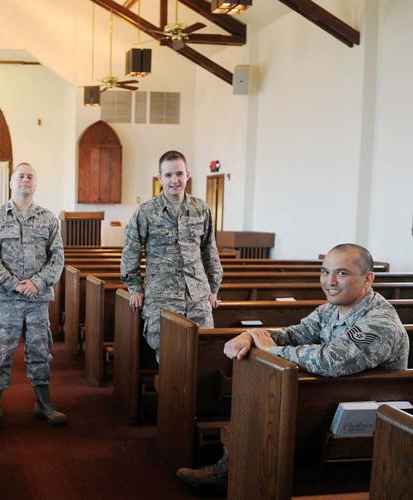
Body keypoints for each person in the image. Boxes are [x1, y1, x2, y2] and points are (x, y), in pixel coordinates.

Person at [176, 243, 409, 491]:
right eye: (324, 272)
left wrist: (272, 351)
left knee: (268, 404)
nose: (329, 281)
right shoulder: (331, 309)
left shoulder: (380, 322)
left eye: (341, 273)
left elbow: (332, 360)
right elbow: (294, 334)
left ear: (368, 278)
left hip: (363, 422)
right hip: (324, 403)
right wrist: (251, 335)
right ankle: (238, 473)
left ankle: (240, 476)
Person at [0, 162, 66, 431]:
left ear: (35, 184)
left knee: (41, 352)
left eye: (30, 177)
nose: (25, 180)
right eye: (21, 176)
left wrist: (36, 283)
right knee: (0, 353)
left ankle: (43, 404)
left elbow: (57, 258)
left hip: (37, 300)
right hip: (5, 299)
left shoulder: (48, 219)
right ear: (11, 182)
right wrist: (14, 284)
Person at [120, 150, 223, 361]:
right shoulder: (146, 212)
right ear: (160, 178)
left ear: (187, 175)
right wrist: (134, 288)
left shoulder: (201, 209)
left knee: (203, 354)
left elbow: (209, 250)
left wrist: (213, 288)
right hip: (162, 298)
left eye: (179, 174)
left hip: (197, 297)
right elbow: (131, 251)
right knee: (168, 357)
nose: (174, 180)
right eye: (168, 175)